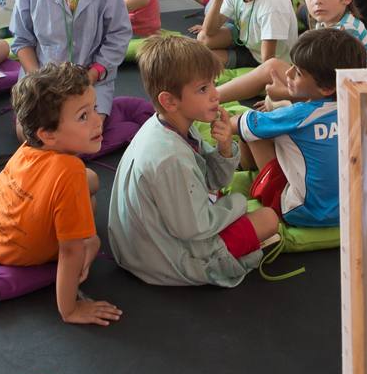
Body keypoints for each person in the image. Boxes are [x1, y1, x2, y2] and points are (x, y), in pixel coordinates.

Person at [0, 63, 122, 327]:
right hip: (18, 253)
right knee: (91, 224)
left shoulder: (30, 146)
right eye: (83, 116)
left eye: (94, 108)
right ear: (49, 134)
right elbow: (71, 250)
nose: (99, 120)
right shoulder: (70, 171)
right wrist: (70, 309)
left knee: (92, 181)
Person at [109, 34, 279, 286]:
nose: (215, 95)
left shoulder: (171, 122)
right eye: (202, 89)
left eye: (213, 84)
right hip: (162, 258)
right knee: (268, 218)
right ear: (169, 100)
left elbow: (211, 180)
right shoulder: (170, 157)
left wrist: (223, 148)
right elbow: (193, 228)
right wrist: (239, 203)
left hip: (146, 245)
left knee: (237, 207)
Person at [232, 29, 367, 227]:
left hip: (305, 212)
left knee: (254, 128)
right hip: (356, 208)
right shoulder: (363, 106)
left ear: (327, 87)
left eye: (298, 72)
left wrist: (227, 120)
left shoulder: (299, 115)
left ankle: (248, 170)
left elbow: (242, 124)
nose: (288, 72)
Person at [216, 0, 367, 105]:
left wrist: (285, 93)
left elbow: (331, 88)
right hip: (335, 90)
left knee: (271, 67)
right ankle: (214, 97)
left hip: (350, 98)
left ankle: (213, 98)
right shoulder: (328, 23)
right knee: (276, 79)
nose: (318, 0)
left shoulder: (346, 31)